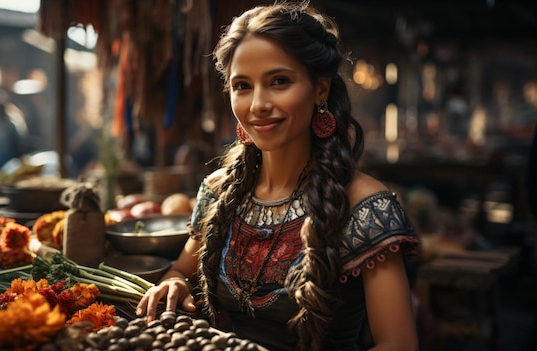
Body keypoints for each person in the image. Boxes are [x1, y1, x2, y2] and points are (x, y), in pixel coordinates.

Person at [136, 2, 420, 351]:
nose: (257, 104)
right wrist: (175, 283)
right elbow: (181, 270)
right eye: (242, 86)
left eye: (279, 81)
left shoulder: (365, 207)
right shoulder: (219, 190)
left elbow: (400, 344)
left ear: (321, 89)